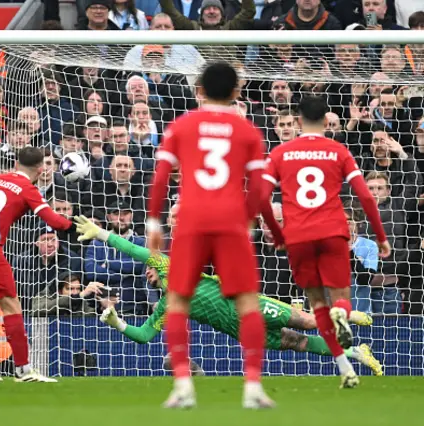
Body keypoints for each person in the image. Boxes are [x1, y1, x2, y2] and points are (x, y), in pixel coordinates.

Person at [73, 216, 383, 376]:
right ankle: (357, 352)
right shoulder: (168, 306)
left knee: (306, 323)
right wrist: (116, 321)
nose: (147, 273)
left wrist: (101, 234)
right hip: (242, 331)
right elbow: (143, 335)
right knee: (298, 343)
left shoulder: (168, 266)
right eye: (146, 275)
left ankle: (345, 313)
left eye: (149, 271)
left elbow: (133, 249)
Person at [145, 62, 281, 409]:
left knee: (178, 301)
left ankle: (182, 387)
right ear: (237, 92)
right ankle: (252, 387)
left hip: (190, 220)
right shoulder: (248, 130)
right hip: (231, 223)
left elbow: (160, 178)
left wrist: (155, 224)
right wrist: (249, 219)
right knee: (247, 304)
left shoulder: (181, 125)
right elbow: (260, 189)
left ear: (200, 91)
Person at [262, 95, 391, 389]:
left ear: (297, 121)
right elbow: (366, 197)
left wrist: (278, 233)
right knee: (340, 298)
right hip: (333, 233)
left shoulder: (281, 152)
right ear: (324, 121)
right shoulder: (338, 151)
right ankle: (342, 315)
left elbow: (259, 198)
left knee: (316, 303)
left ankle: (344, 366)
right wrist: (381, 237)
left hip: (298, 237)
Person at [0, 146, 77, 383]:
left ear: (17, 163)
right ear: (41, 170)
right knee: (12, 306)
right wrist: (76, 227)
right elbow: (53, 220)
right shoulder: (27, 188)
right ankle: (23, 369)